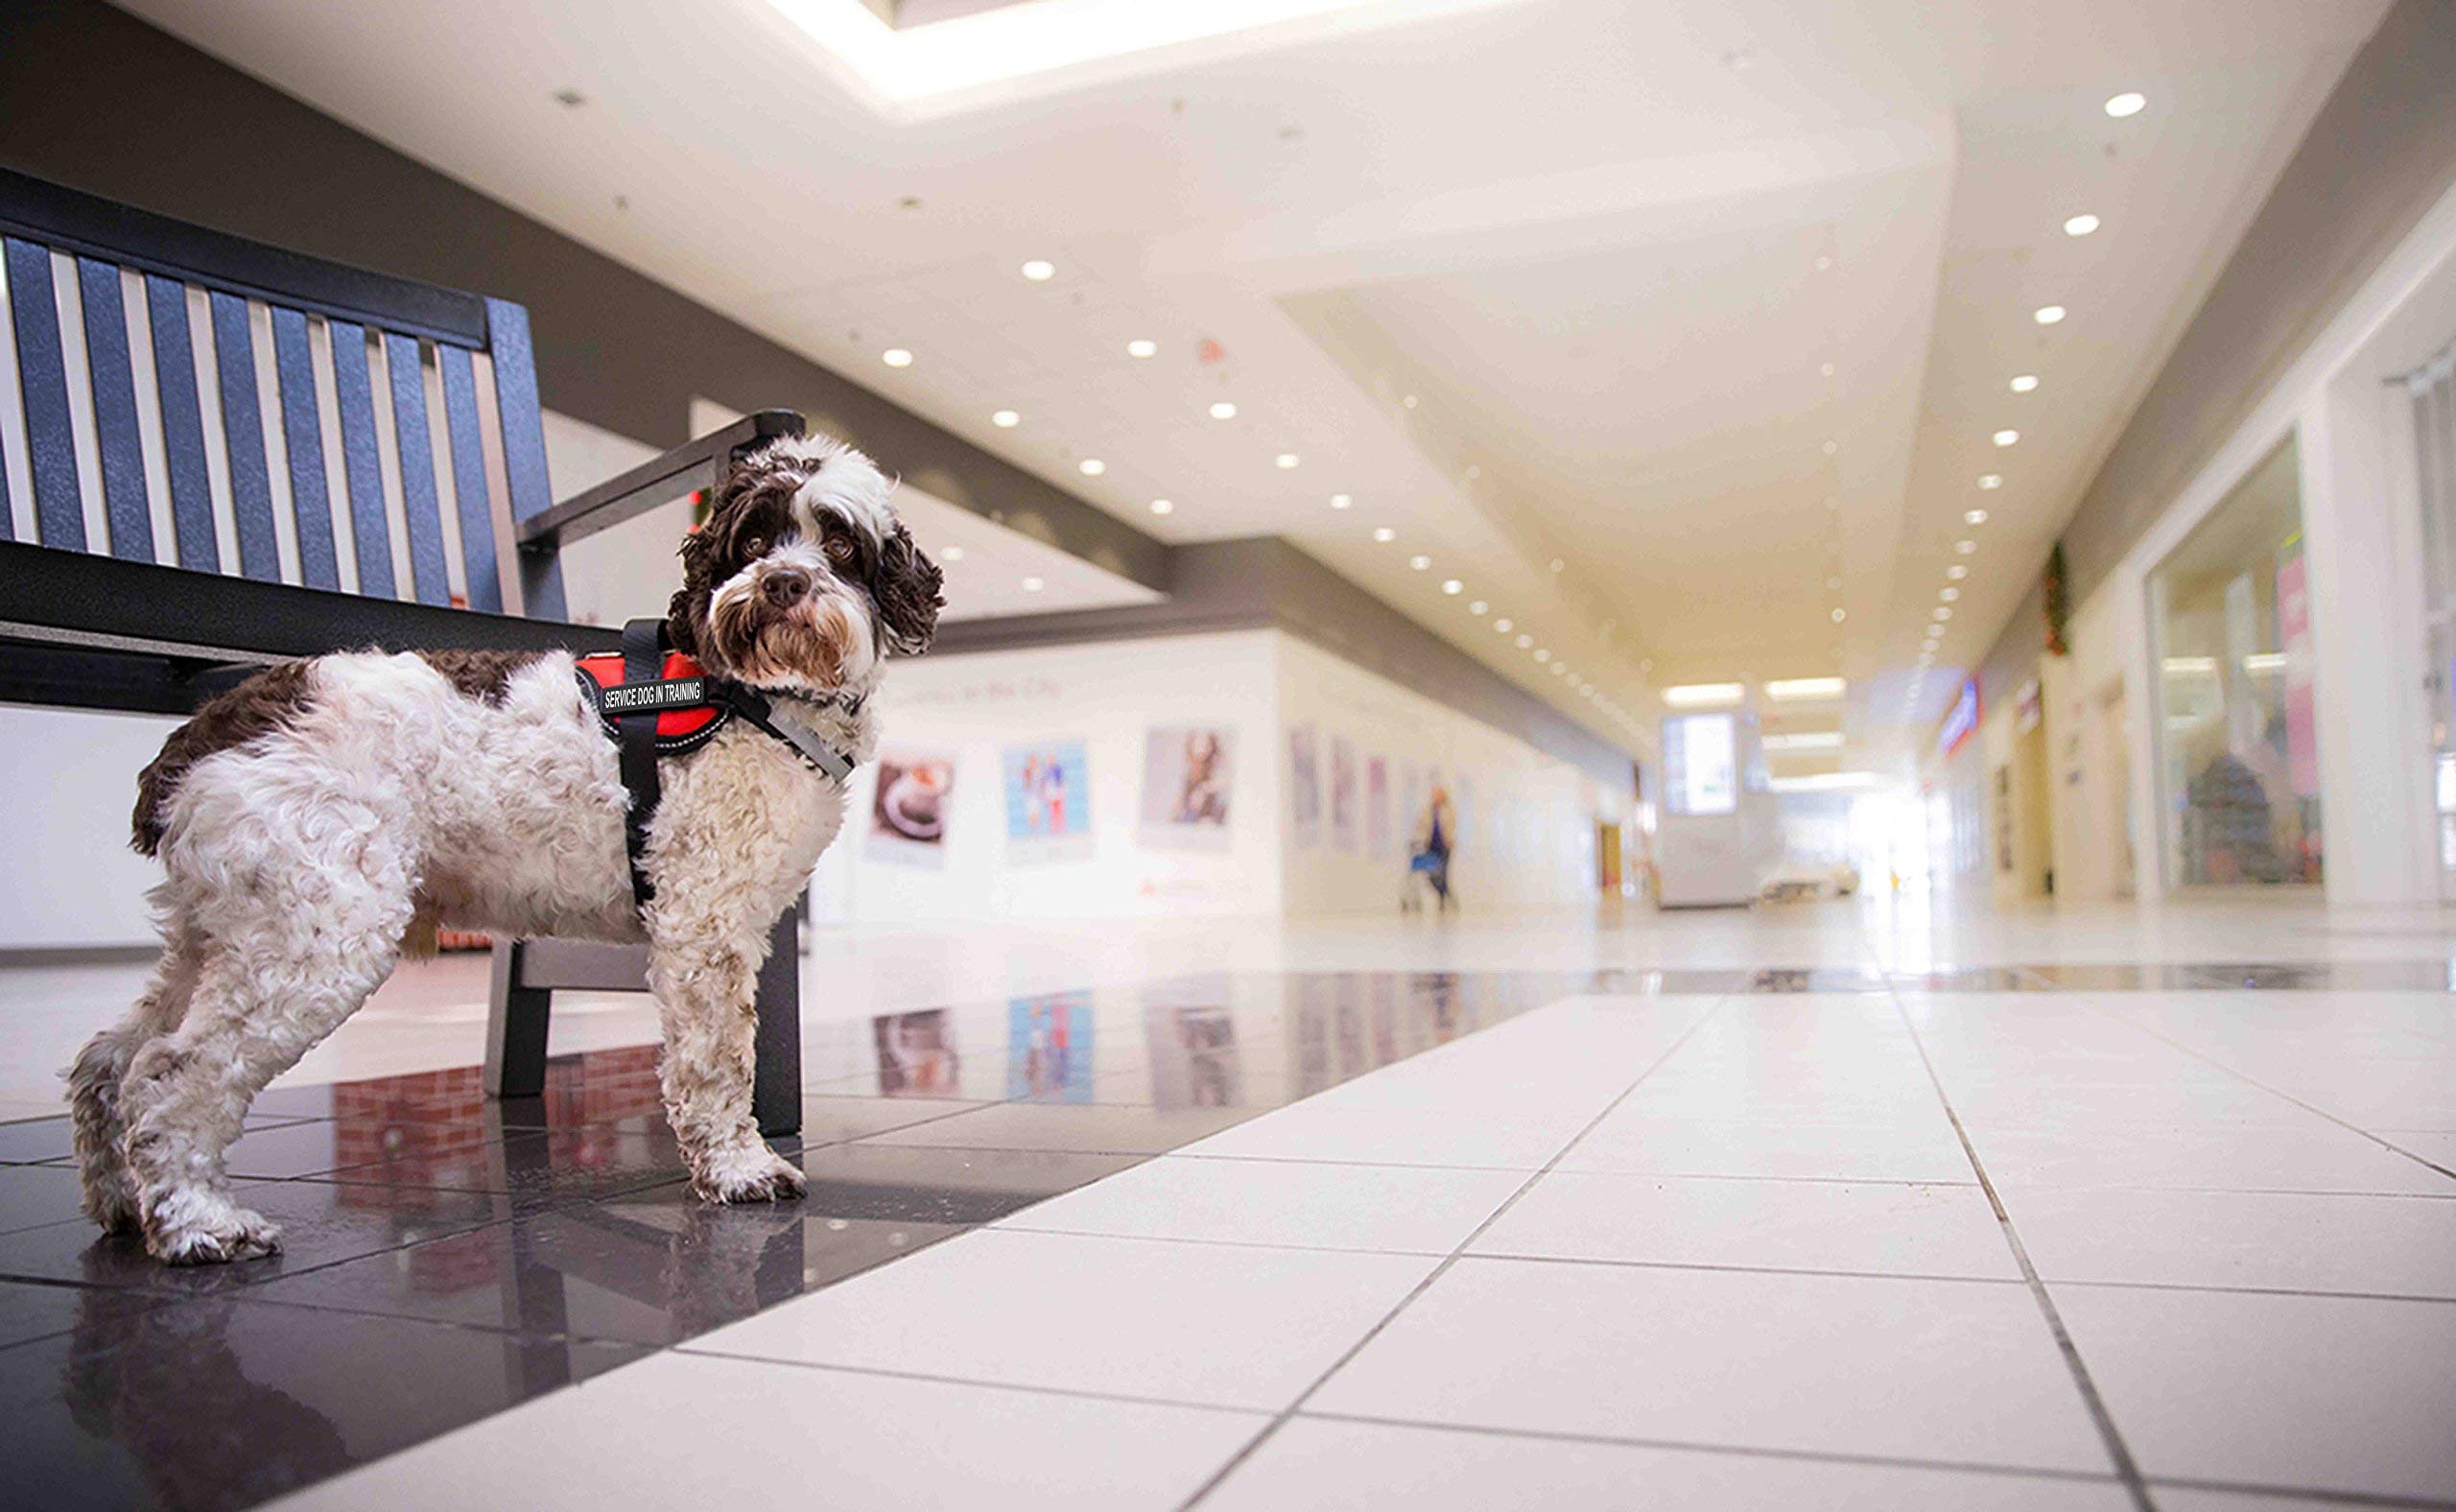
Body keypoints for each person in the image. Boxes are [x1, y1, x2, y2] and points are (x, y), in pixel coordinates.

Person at [1405, 785, 1457, 913]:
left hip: (1444, 846)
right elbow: (1420, 824)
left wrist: (1450, 838)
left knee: (1443, 875)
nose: (1435, 796)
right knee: (1432, 875)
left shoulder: (1448, 810)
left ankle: (1444, 901)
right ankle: (1447, 898)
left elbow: (1451, 825)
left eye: (1438, 794)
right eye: (1434, 794)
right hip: (1431, 846)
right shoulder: (1428, 810)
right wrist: (1419, 838)